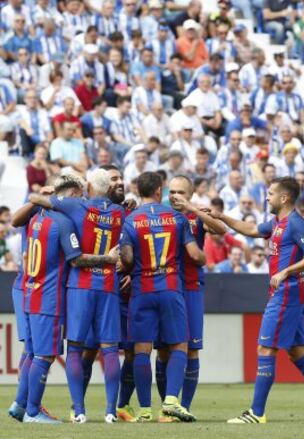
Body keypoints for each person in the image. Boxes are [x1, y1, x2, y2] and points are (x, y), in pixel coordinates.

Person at [209, 176, 304, 424]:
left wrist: (286, 271)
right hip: (286, 292)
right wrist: (221, 217)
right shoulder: (277, 223)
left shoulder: (296, 223)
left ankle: (256, 413)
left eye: (270, 193)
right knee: (297, 352)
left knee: (265, 348)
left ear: (283, 198)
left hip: (287, 292)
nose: (267, 197)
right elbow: (250, 229)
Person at [10, 174, 119, 424]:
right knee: (44, 356)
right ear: (71, 193)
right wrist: (109, 259)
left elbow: (17, 219)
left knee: (32, 351)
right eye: (80, 193)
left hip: (27, 289)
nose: (83, 199)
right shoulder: (63, 222)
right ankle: (33, 411)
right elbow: (76, 259)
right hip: (49, 296)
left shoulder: (35, 217)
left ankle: (20, 403)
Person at [119, 171, 206, 423]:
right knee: (180, 344)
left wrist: (132, 267)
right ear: (159, 190)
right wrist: (201, 258)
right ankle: (170, 401)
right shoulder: (177, 219)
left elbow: (125, 258)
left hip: (142, 290)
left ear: (139, 191)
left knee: (141, 349)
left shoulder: (132, 220)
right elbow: (194, 254)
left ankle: (145, 409)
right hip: (170, 288)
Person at [155, 176, 225, 418]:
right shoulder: (159, 214)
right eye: (172, 191)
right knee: (164, 350)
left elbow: (220, 230)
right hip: (165, 287)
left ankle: (184, 405)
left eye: (181, 192)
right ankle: (167, 406)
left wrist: (192, 208)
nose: (175, 196)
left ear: (191, 194)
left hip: (192, 288)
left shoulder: (196, 215)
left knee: (192, 350)